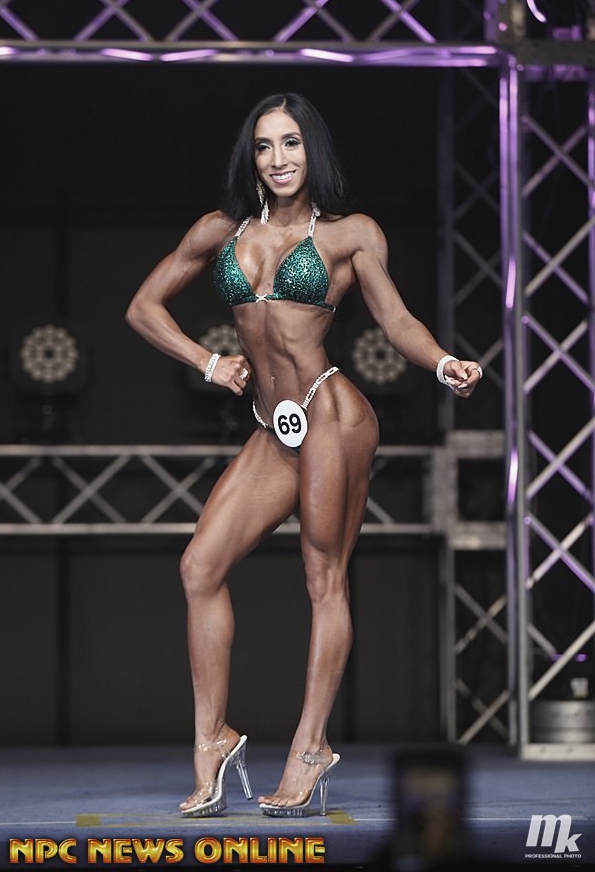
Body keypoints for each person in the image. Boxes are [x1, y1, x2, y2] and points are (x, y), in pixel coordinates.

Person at [125, 92, 482, 819]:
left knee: (323, 579)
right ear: (251, 157)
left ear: (312, 151)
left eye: (291, 143)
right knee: (199, 567)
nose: (279, 158)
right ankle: (214, 740)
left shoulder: (351, 234)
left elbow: (396, 319)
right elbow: (143, 307)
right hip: (273, 427)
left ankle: (310, 747)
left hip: (331, 415)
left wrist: (443, 362)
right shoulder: (222, 230)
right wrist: (207, 362)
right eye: (265, 146)